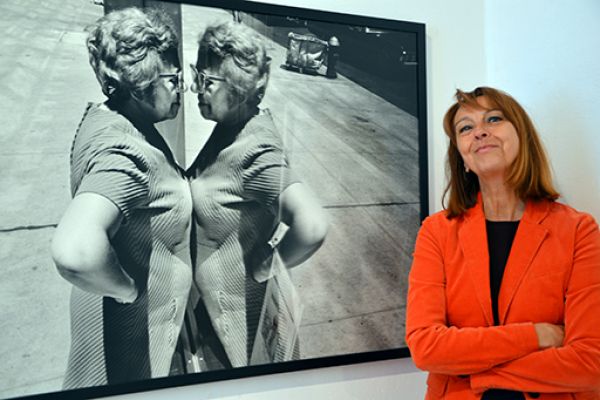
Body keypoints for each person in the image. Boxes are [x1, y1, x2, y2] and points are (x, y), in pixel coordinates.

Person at [405, 87, 600, 399]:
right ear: (463, 158)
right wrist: (536, 334)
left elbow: (590, 362)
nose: (480, 132)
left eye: (493, 119)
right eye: (465, 128)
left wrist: (476, 373)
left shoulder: (578, 230)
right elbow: (427, 348)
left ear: (522, 137)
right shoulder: (436, 232)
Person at [51, 7, 192, 387]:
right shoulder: (126, 153)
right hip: (126, 341)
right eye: (173, 79)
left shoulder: (105, 117)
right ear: (141, 83)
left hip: (98, 314)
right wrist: (128, 291)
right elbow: (76, 251)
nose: (182, 88)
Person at [186, 21, 329, 369]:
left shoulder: (256, 150)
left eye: (207, 81)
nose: (195, 88)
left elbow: (312, 226)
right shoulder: (232, 128)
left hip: (236, 319)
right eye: (196, 75)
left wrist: (265, 265)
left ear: (237, 88)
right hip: (214, 305)